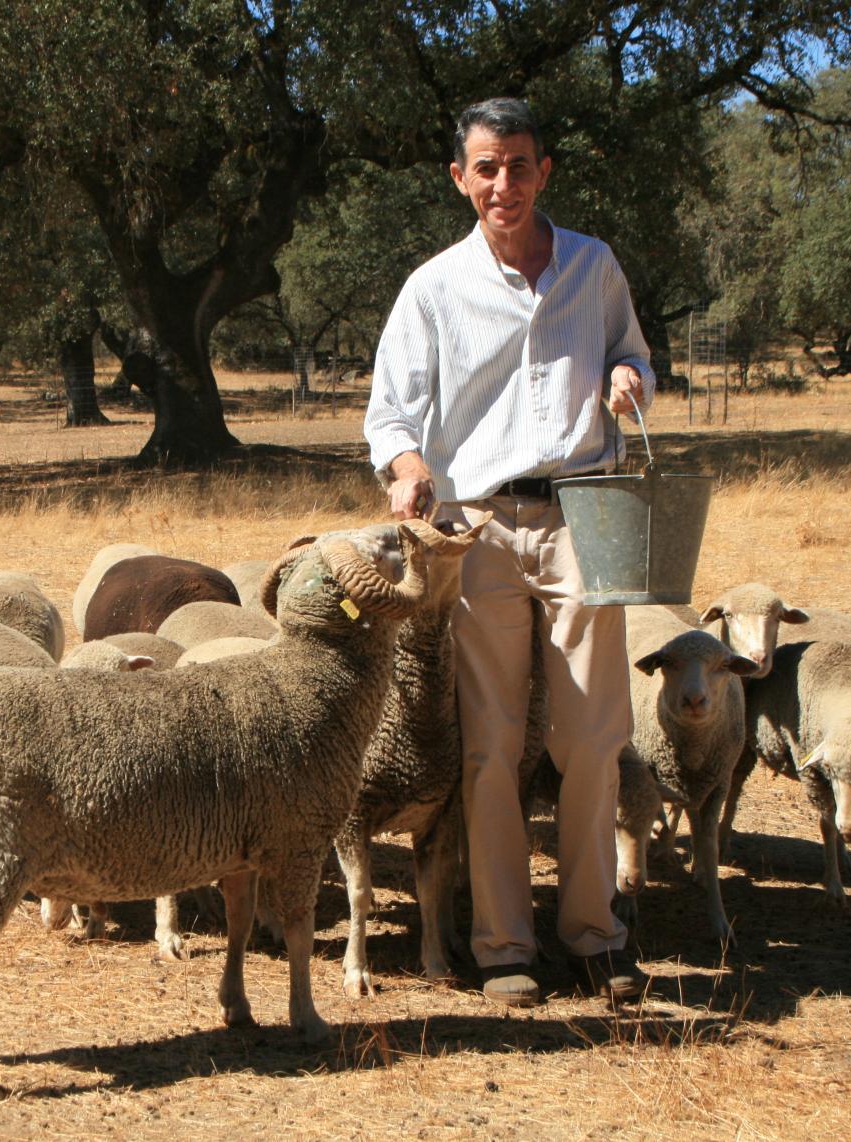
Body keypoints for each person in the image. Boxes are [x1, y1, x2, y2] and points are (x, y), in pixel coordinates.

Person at [364, 97, 655, 1008]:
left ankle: (596, 936)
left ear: (544, 171)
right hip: (478, 530)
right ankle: (504, 949)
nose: (504, 183)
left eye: (519, 165)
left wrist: (626, 381)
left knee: (592, 737)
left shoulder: (595, 267)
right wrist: (409, 469)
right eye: (486, 167)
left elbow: (636, 359)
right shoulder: (433, 288)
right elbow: (391, 416)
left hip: (584, 517)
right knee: (490, 746)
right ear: (461, 178)